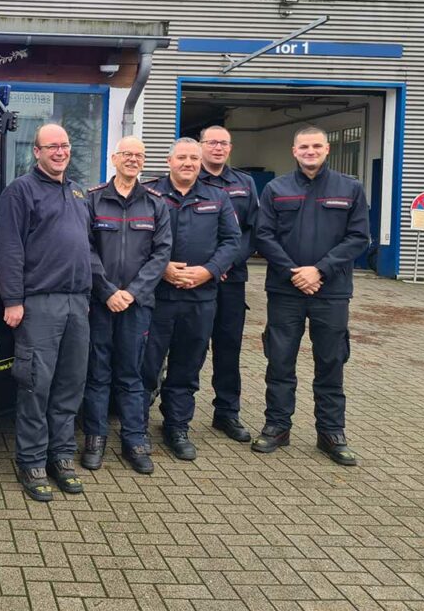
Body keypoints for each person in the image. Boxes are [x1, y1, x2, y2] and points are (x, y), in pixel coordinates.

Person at [252, 126, 370, 465]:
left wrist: (319, 270)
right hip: (285, 290)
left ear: (327, 149)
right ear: (294, 151)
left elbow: (359, 237)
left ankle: (331, 433)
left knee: (331, 361)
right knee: (279, 360)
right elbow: (264, 235)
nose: (310, 151)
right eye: (304, 146)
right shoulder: (277, 188)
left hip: (331, 291)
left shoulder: (350, 188)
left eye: (316, 145)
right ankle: (277, 426)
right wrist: (294, 272)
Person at [0, 123, 92, 501]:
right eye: (52, 146)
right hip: (38, 304)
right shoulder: (20, 191)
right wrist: (13, 300)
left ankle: (62, 456)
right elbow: (9, 248)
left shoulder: (77, 191)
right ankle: (32, 461)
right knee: (36, 384)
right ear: (36, 151)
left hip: (77, 303)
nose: (60, 152)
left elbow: (87, 246)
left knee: (70, 385)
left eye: (65, 145)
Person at [142, 138, 240, 461]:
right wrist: (162, 269)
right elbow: (135, 240)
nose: (188, 163)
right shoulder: (150, 194)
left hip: (200, 297)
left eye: (193, 158)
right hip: (157, 296)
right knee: (146, 362)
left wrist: (210, 271)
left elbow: (232, 241)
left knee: (187, 365)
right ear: (169, 161)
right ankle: (136, 423)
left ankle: (177, 425)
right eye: (182, 157)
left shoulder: (218, 197)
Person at [82, 136, 172, 475]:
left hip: (137, 304)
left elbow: (161, 253)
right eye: (127, 154)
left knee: (133, 374)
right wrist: (107, 291)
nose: (133, 159)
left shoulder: (155, 204)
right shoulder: (92, 201)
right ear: (113, 157)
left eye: (139, 155)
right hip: (101, 303)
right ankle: (95, 438)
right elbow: (85, 249)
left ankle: (134, 439)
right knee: (97, 373)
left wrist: (132, 292)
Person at [198, 125, 259, 443]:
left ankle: (226, 413)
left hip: (231, 279)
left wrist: (224, 264)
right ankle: (176, 415)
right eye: (212, 143)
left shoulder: (245, 183)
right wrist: (207, 268)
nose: (218, 148)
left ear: (230, 148)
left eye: (224, 143)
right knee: (188, 348)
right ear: (201, 146)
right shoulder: (190, 177)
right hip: (193, 280)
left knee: (228, 349)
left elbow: (252, 231)